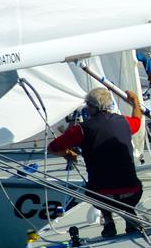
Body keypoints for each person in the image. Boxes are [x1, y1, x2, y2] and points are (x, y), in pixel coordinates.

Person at [48, 88, 144, 238]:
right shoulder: (124, 122)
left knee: (96, 187)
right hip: (131, 193)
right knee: (128, 184)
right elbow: (137, 121)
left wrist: (68, 154)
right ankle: (130, 215)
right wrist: (135, 102)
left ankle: (108, 221)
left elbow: (52, 148)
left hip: (101, 195)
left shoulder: (81, 129)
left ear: (91, 107)